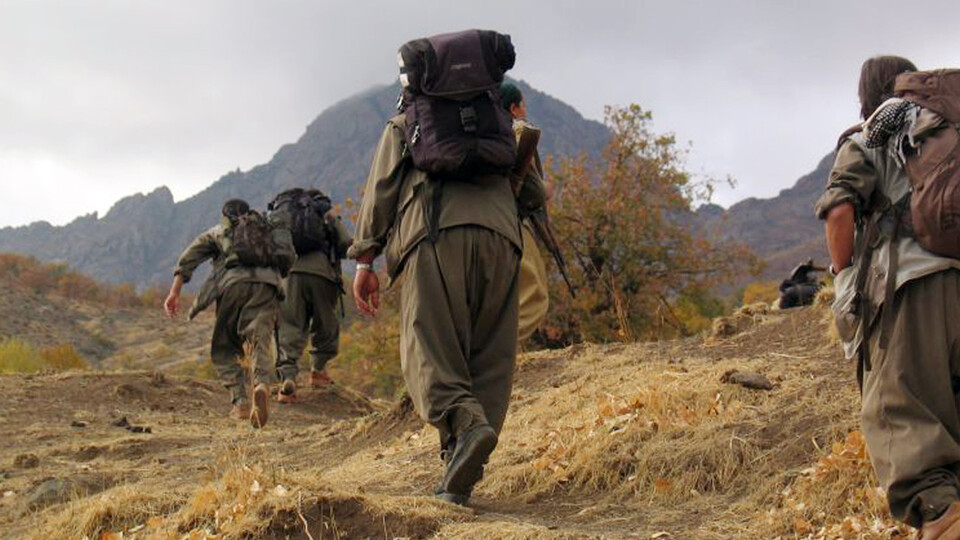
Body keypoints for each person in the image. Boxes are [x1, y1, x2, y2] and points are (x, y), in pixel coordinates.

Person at [350, 37, 522, 506]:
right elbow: (533, 192)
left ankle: (465, 428)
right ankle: (459, 470)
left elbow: (381, 190)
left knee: (427, 346)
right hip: (504, 241)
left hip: (435, 234)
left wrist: (365, 259)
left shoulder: (407, 121)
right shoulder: (501, 120)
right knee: (489, 355)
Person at [816, 56, 960, 539]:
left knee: (898, 410)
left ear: (866, 94)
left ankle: (941, 518)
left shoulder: (872, 136)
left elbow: (839, 211)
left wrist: (843, 275)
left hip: (910, 291)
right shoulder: (948, 132)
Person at [163, 199, 294, 429]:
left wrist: (175, 291)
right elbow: (288, 258)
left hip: (232, 286)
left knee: (224, 346)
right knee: (259, 338)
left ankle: (240, 401)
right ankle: (261, 384)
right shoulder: (265, 229)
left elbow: (189, 257)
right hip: (267, 286)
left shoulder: (220, 231)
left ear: (225, 214)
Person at [275, 194, 353, 402]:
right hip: (322, 274)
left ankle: (287, 380)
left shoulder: (287, 215)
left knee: (290, 325)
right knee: (325, 323)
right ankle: (318, 371)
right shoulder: (325, 212)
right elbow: (346, 242)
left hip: (290, 275)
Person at [501, 82, 551, 342]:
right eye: (523, 105)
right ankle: (495, 354)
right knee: (534, 296)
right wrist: (545, 188)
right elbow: (532, 192)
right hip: (509, 222)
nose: (525, 110)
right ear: (513, 108)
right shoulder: (518, 132)